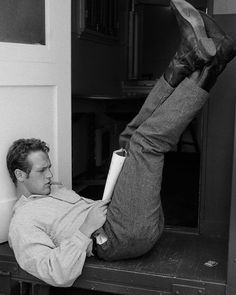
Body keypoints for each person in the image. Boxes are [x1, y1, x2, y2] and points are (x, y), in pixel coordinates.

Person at [7, 0, 236, 288]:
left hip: (119, 219)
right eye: (42, 171)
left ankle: (187, 59)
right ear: (19, 175)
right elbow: (56, 272)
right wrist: (84, 230)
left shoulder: (51, 192)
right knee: (146, 143)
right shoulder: (22, 224)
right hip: (118, 239)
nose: (51, 176)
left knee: (128, 139)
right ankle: (213, 67)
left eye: (48, 168)